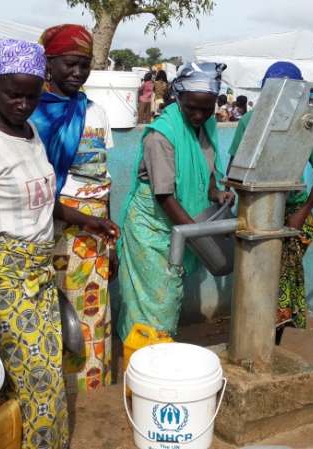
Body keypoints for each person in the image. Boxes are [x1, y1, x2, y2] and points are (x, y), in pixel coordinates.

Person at [0, 37, 117, 449]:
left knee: (45, 373)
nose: (22, 103)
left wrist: (90, 221)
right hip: (3, 273)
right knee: (34, 377)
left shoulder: (31, 132)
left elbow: (45, 199)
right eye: (12, 93)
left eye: (31, 94)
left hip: (38, 272)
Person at [30, 24, 118, 394]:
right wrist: (88, 220)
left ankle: (94, 395)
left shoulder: (95, 112)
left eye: (84, 65)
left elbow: (104, 177)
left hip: (97, 232)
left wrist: (112, 243)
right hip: (58, 228)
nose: (78, 72)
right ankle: (63, 396)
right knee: (61, 314)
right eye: (70, 63)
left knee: (95, 317)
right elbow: (35, 191)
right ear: (49, 64)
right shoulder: (34, 117)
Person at [117, 62, 233, 341]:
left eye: (206, 109)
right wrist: (198, 237)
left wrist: (217, 194)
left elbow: (204, 175)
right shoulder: (161, 136)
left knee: (167, 299)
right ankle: (143, 365)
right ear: (178, 97)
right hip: (153, 228)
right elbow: (165, 196)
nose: (199, 114)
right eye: (192, 106)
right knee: (153, 303)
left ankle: (157, 361)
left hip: (177, 227)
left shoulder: (204, 128)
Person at [228, 61, 313, 344]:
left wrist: (303, 212)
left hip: (293, 213)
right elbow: (233, 170)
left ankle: (271, 343)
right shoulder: (251, 121)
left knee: (279, 282)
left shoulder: (306, 124)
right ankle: (252, 340)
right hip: (257, 208)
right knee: (254, 280)